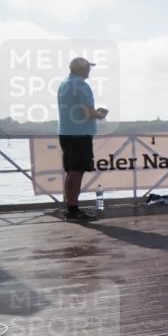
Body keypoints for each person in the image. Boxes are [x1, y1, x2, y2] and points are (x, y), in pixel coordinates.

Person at [57, 57, 108, 221]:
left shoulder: (64, 84)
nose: (89, 70)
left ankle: (70, 207)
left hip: (65, 132)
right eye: (88, 67)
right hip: (80, 134)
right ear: (81, 69)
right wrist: (101, 114)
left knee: (71, 172)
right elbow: (88, 113)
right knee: (77, 172)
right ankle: (73, 210)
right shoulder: (81, 85)